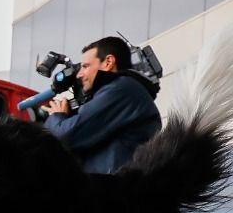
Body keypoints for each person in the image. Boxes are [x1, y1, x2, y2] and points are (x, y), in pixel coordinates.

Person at [42, 36, 161, 174]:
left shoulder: (121, 89)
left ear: (108, 62)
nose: (79, 75)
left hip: (115, 190)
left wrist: (57, 115)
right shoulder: (125, 90)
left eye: (85, 66)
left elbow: (66, 137)